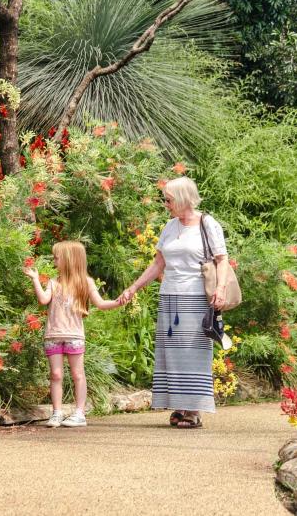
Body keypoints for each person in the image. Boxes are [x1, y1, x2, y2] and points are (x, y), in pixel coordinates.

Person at [118, 177, 227, 429]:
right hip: (170, 296)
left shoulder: (208, 224)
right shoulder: (169, 226)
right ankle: (179, 406)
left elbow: (222, 260)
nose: (165, 204)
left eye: (168, 199)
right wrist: (134, 287)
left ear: (182, 198)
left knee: (193, 352)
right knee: (173, 354)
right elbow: (158, 264)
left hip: (197, 297)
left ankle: (194, 409)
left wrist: (220, 289)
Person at [24, 241, 124, 428]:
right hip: (53, 336)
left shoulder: (86, 282)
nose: (54, 260)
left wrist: (119, 302)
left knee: (78, 374)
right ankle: (57, 412)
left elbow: (101, 304)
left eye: (56, 257)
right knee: (55, 374)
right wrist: (35, 279)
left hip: (74, 337)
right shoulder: (54, 283)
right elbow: (43, 299)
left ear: (68, 260)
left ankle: (79, 412)